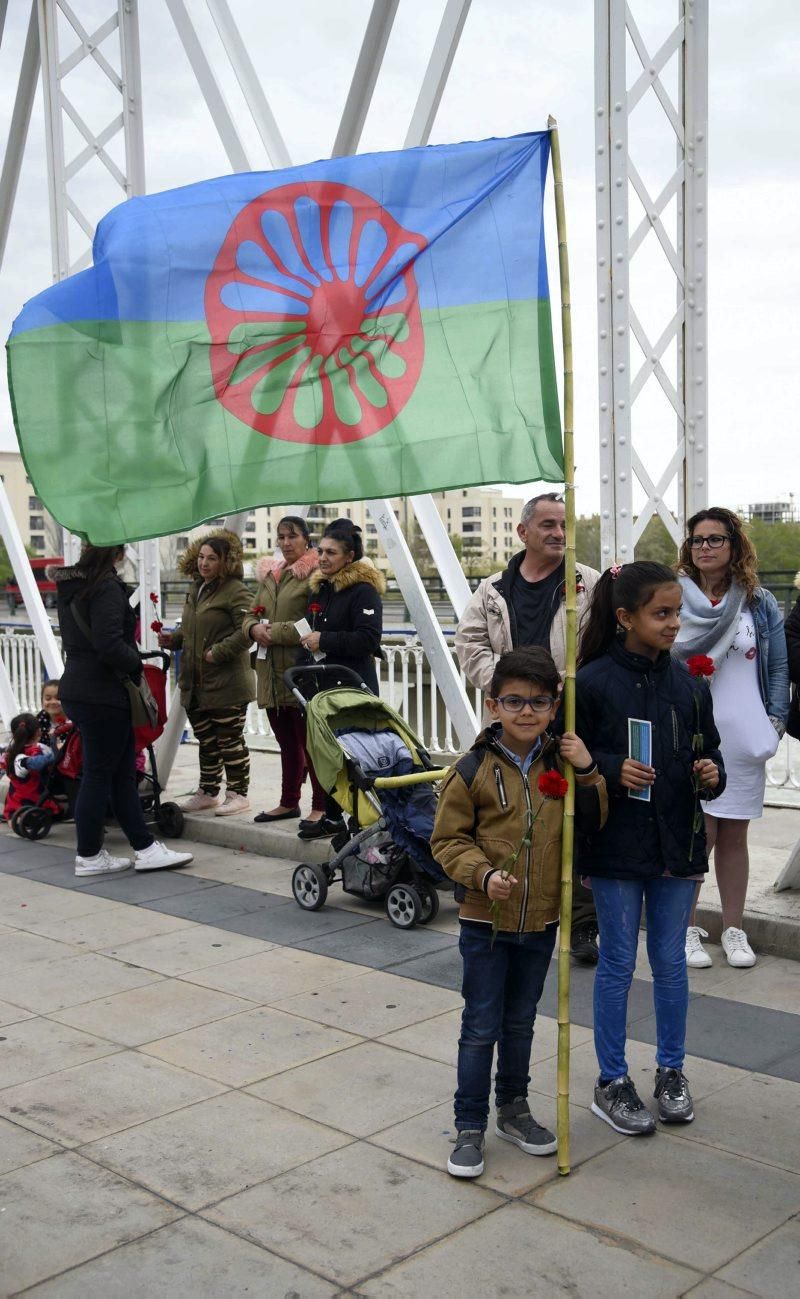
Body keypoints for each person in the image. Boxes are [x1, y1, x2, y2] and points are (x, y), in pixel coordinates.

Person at [431, 647, 607, 1179]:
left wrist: (590, 769)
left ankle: (514, 1109)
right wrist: (484, 875)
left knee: (521, 1021)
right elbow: (447, 840)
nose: (526, 712)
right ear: (492, 705)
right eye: (514, 701)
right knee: (480, 1024)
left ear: (555, 707)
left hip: (541, 922)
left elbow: (595, 821)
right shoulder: (472, 768)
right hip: (485, 921)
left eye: (538, 702)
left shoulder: (561, 762)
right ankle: (468, 1125)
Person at [575, 562, 724, 1136]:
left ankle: (671, 1071)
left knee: (670, 963)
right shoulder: (590, 684)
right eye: (661, 613)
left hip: (679, 845)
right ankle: (611, 1079)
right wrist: (610, 768)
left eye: (676, 613)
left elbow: (711, 755)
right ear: (624, 617)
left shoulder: (690, 684)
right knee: (616, 961)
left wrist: (712, 773)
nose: (672, 624)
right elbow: (569, 756)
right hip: (615, 847)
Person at [455, 491, 602, 964]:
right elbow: (469, 644)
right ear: (523, 532)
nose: (559, 534)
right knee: (506, 812)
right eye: (548, 525)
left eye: (564, 525)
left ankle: (581, 923)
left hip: (569, 723)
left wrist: (569, 690)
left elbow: (603, 646)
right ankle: (499, 897)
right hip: (512, 725)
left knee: (571, 818)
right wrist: (507, 694)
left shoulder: (589, 584)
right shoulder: (493, 589)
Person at [673, 508, 789, 970]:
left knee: (735, 833)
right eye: (698, 539)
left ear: (734, 545)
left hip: (742, 736)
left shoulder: (758, 603)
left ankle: (734, 930)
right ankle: (685, 929)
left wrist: (775, 724)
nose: (705, 547)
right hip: (692, 735)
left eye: (715, 539)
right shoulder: (674, 597)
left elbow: (777, 668)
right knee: (700, 834)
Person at [54, 544, 193, 876]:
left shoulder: (72, 586)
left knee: (116, 774)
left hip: (77, 686)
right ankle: (89, 854)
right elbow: (109, 643)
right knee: (101, 775)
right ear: (116, 553)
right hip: (104, 693)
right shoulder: (105, 588)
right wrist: (135, 664)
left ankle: (143, 847)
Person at [297, 519, 384, 839]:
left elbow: (368, 639)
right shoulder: (321, 587)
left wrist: (326, 640)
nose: (322, 557)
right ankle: (332, 816)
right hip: (320, 688)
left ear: (349, 557)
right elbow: (309, 632)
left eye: (331, 552)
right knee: (327, 757)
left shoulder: (363, 591)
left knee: (355, 756)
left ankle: (361, 817)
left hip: (351, 688)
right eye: (320, 551)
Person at [160, 530, 255, 816]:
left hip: (227, 683)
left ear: (226, 561)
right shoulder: (197, 587)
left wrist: (219, 652)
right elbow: (194, 627)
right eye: (201, 557)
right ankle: (208, 791)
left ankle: (238, 793)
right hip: (196, 682)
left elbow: (248, 630)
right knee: (207, 740)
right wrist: (175, 638)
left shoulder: (236, 591)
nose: (204, 563)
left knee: (230, 740)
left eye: (212, 558)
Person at [243, 516, 326, 827]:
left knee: (311, 743)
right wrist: (252, 629)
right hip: (270, 674)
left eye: (292, 536)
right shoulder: (271, 576)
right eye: (281, 537)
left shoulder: (315, 576)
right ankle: (288, 802)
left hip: (300, 671)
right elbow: (249, 615)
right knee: (287, 743)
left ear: (306, 539)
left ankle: (320, 805)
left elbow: (314, 624)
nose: (286, 542)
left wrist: (272, 632)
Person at [1, 713, 59, 822]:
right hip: (33, 796)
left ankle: (14, 817)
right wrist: (54, 750)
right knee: (56, 811)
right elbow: (39, 764)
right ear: (38, 732)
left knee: (15, 808)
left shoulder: (10, 753)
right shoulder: (34, 752)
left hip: (15, 798)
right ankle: (22, 819)